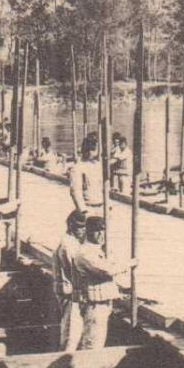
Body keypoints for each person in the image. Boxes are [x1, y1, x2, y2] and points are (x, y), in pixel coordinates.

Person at [71, 215, 122, 350]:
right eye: (97, 230)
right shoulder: (85, 252)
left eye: (103, 230)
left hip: (102, 303)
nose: (101, 234)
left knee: (97, 340)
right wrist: (129, 264)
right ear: (88, 232)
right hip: (94, 305)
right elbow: (107, 271)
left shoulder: (96, 250)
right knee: (92, 344)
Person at [53, 210, 87, 352]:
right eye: (81, 227)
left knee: (73, 328)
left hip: (68, 291)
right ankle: (66, 358)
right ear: (72, 227)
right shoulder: (69, 245)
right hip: (70, 292)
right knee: (72, 331)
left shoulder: (69, 242)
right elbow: (74, 272)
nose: (84, 231)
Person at [69, 134, 105, 219]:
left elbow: (103, 187)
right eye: (88, 150)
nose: (90, 152)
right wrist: (83, 210)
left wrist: (108, 205)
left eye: (93, 150)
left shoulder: (99, 165)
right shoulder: (78, 167)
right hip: (88, 207)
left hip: (101, 207)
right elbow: (75, 190)